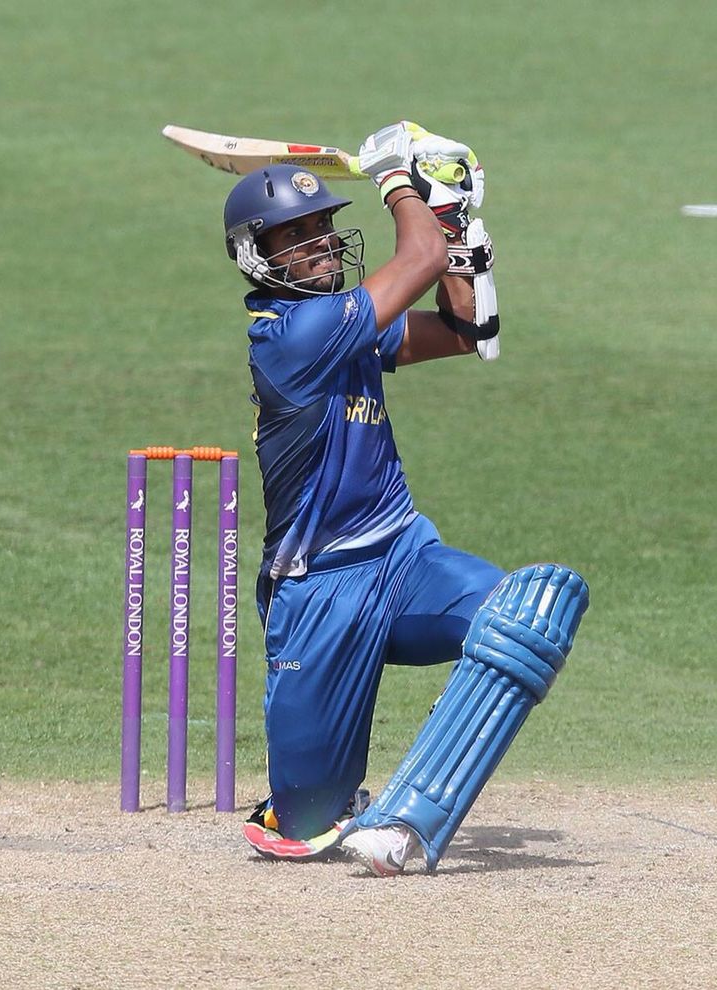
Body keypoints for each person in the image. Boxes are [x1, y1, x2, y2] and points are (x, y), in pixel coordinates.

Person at [223, 121, 589, 876]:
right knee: (309, 824)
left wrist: (451, 219)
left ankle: (412, 818)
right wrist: (398, 177)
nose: (322, 244)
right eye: (299, 236)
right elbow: (414, 258)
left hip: (401, 556)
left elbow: (461, 329)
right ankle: (324, 800)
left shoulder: (349, 323)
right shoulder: (291, 337)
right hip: (318, 592)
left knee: (518, 622)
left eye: (325, 226)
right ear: (259, 257)